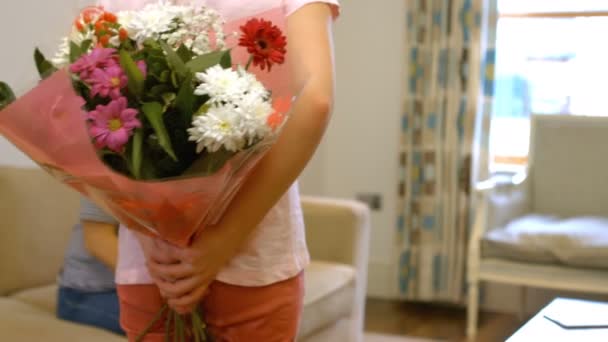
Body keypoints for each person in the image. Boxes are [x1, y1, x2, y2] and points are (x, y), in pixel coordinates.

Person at [98, 0, 339, 340]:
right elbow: (315, 100)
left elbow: (92, 117)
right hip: (256, 259)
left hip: (154, 265)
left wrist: (148, 234)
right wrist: (224, 240)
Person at [56, 197, 124, 335]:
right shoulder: (108, 177)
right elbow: (98, 241)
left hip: (130, 291)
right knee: (166, 326)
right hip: (87, 293)